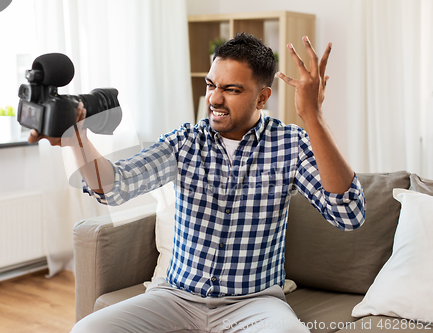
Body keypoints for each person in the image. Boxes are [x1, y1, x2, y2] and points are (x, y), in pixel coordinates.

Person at [29, 33, 365, 333]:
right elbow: (117, 185)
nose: (215, 99)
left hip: (255, 303)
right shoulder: (185, 142)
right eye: (211, 85)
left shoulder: (290, 144)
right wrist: (76, 138)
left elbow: (348, 214)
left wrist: (314, 118)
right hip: (176, 297)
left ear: (262, 98)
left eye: (231, 89)